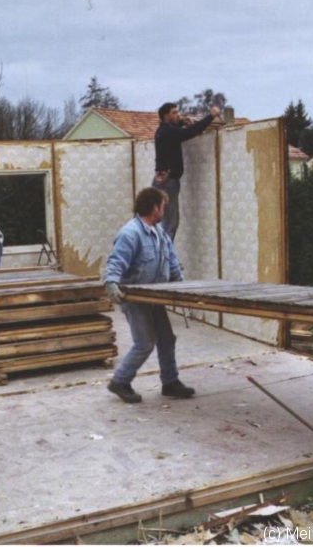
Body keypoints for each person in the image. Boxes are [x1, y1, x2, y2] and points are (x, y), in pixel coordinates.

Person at [103, 187, 193, 403]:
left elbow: (172, 263)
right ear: (154, 207)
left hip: (155, 297)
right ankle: (120, 381)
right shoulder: (130, 233)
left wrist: (183, 288)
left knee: (167, 339)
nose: (164, 210)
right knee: (144, 343)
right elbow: (116, 262)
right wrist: (111, 283)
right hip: (136, 299)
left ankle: (170, 382)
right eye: (163, 206)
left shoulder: (160, 233)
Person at [153, 102, 221, 241]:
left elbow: (175, 130)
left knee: (164, 222)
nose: (178, 115)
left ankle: (159, 252)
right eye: (174, 113)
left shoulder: (161, 131)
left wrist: (181, 122)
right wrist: (211, 116)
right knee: (171, 224)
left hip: (162, 180)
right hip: (168, 181)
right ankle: (164, 254)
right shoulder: (168, 133)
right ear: (166, 116)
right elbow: (191, 131)